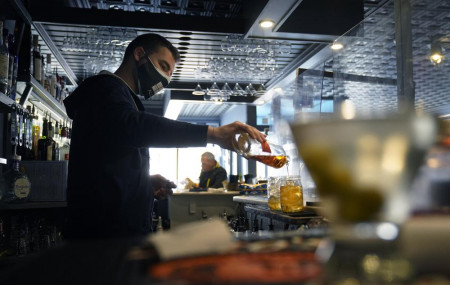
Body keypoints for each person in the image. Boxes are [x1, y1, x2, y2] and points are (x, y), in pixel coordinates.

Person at [63, 33, 266, 239]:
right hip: (103, 238)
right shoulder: (105, 88)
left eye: (169, 72)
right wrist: (212, 134)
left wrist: (142, 183)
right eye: (163, 65)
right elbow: (134, 127)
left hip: (119, 233)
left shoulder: (119, 97)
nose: (165, 78)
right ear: (139, 54)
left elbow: (108, 161)